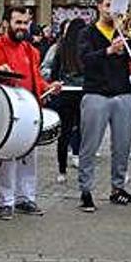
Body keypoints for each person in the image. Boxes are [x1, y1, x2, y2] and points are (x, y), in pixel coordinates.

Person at [0, 7, 62, 220]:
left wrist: (49, 86)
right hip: (9, 112)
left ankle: (26, 198)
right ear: (5, 24)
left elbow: (35, 78)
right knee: (8, 157)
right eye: (18, 22)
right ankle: (6, 202)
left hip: (31, 110)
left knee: (30, 158)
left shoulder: (31, 50)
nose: (22, 27)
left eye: (25, 23)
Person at [76, 0, 131, 212]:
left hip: (122, 93)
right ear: (98, 7)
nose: (111, 11)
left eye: (116, 7)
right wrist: (108, 50)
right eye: (107, 6)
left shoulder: (123, 33)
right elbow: (84, 60)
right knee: (89, 146)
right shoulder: (87, 33)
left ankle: (118, 188)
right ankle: (86, 191)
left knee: (123, 145)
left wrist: (127, 36)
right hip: (96, 93)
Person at [49, 18, 86, 183]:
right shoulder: (86, 47)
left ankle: (61, 170)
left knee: (64, 133)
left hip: (65, 93)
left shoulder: (61, 47)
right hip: (84, 93)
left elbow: (54, 71)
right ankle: (82, 164)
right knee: (83, 131)